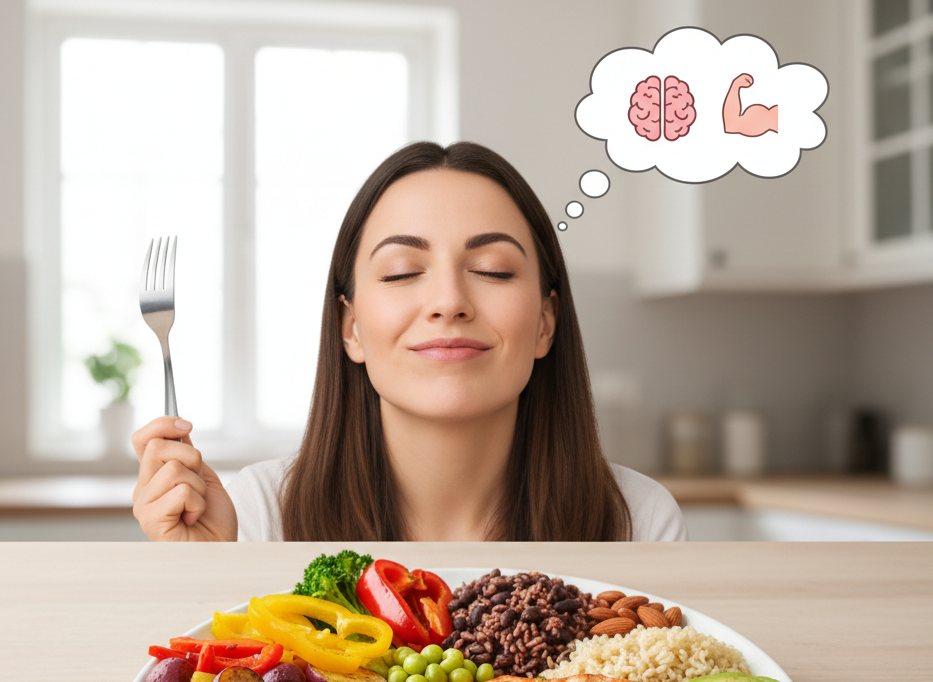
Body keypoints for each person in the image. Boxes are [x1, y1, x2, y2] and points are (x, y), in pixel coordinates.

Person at [132, 141, 686, 542]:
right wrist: (198, 572)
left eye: (493, 270)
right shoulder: (255, 516)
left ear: (545, 323)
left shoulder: (637, 520)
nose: (449, 300)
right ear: (350, 328)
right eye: (401, 272)